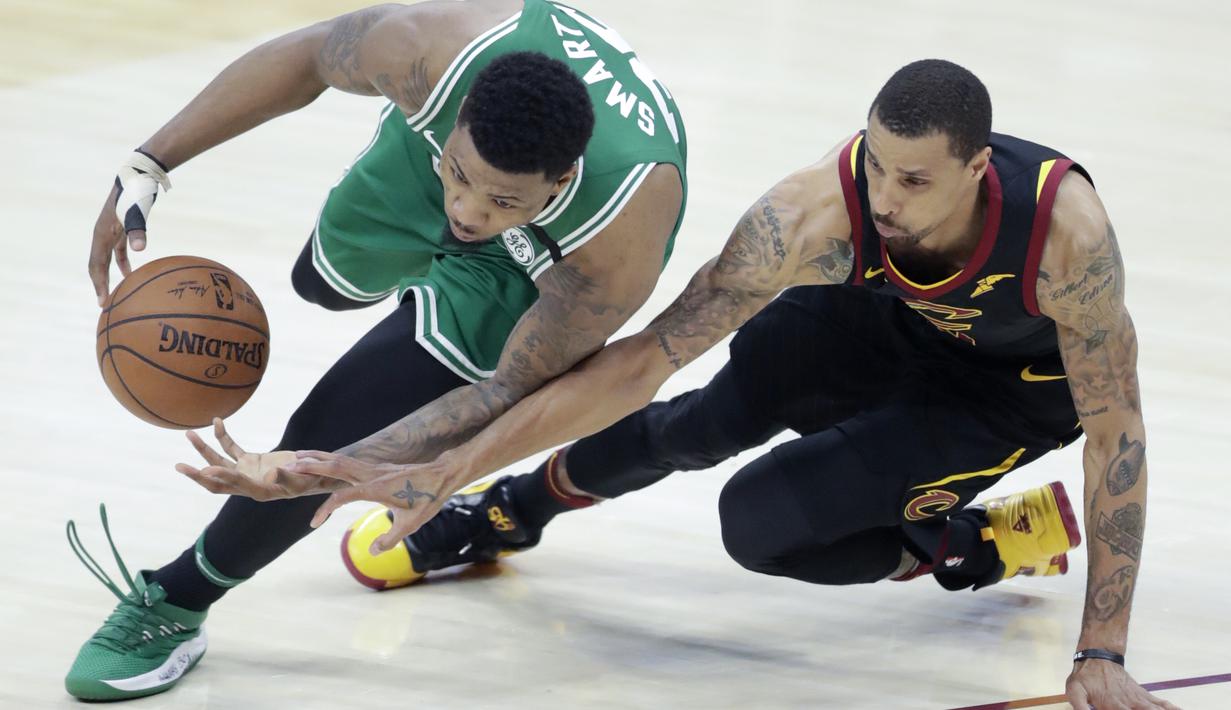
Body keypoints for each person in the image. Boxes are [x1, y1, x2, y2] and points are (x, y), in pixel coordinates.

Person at [225, 60, 1171, 709]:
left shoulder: (1066, 241)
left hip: (1006, 389)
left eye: (916, 181)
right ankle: (509, 509)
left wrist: (1100, 650)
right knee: (702, 415)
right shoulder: (813, 216)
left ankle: (972, 542)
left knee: (760, 523)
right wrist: (446, 464)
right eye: (876, 164)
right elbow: (641, 360)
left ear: (975, 165)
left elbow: (1117, 431)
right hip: (883, 318)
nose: (884, 198)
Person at [67, 0, 686, 701]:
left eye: (502, 201)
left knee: (339, 419)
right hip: (432, 164)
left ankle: (177, 600)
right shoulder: (426, 52)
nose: (470, 212)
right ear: (453, 121)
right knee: (320, 284)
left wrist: (331, 467)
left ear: (562, 182)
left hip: (530, 267)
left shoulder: (614, 247)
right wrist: (147, 166)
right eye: (462, 177)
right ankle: (451, 215)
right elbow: (307, 57)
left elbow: (499, 396)